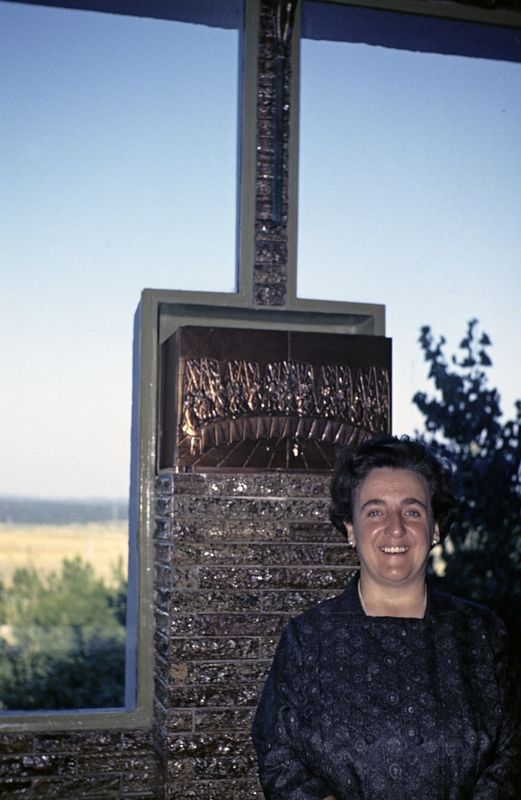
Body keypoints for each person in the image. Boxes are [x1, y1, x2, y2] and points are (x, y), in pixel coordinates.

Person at [252, 435, 521, 799]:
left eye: (412, 511)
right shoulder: (308, 638)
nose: (396, 528)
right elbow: (277, 753)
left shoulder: (482, 635)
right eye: (375, 511)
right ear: (351, 529)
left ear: (436, 528)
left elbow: (511, 755)